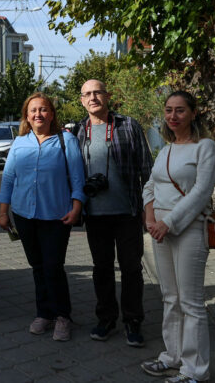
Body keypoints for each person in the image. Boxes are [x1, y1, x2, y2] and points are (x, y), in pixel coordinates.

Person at [140, 91, 215, 383]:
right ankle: (172, 357)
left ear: (193, 113)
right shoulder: (166, 149)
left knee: (191, 302)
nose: (173, 116)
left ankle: (195, 371)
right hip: (159, 228)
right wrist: (150, 218)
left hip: (188, 229)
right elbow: (150, 184)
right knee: (170, 297)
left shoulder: (205, 148)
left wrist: (168, 222)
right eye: (169, 110)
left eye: (180, 111)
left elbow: (201, 192)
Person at [0, 92, 85, 342]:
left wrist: (77, 207)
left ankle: (62, 316)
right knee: (37, 266)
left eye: (44, 109)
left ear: (52, 114)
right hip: (24, 214)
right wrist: (3, 212)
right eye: (34, 110)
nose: (39, 114)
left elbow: (78, 178)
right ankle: (43, 313)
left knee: (53, 266)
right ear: (27, 115)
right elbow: (8, 178)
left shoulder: (66, 140)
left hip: (56, 215)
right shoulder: (20, 142)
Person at [75, 79, 153, 346]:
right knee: (102, 269)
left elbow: (146, 169)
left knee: (131, 268)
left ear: (107, 96)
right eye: (88, 94)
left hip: (128, 211)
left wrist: (147, 208)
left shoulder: (127, 125)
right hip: (95, 214)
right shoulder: (79, 130)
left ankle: (133, 321)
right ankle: (106, 318)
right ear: (82, 100)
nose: (93, 97)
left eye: (98, 92)